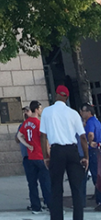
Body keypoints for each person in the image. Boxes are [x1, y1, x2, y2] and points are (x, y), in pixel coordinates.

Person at [40, 85, 88, 220]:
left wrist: (45, 156)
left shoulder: (47, 112)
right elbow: (83, 137)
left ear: (56, 95)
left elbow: (42, 136)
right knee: (76, 188)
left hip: (56, 150)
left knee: (56, 188)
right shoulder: (73, 113)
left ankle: (57, 217)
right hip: (72, 150)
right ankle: (78, 217)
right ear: (67, 97)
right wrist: (86, 156)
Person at [18, 101, 52, 215]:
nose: (41, 110)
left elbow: (19, 136)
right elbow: (44, 139)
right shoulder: (39, 123)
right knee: (45, 182)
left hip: (30, 156)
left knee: (32, 183)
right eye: (40, 108)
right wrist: (48, 154)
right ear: (36, 109)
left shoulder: (26, 123)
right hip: (40, 155)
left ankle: (35, 207)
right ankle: (50, 205)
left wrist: (27, 145)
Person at [81, 104, 101, 209]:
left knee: (95, 176)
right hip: (98, 149)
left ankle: (99, 200)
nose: (82, 113)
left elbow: (90, 134)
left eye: (83, 111)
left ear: (89, 112)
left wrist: (89, 142)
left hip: (92, 151)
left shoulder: (90, 122)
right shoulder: (97, 121)